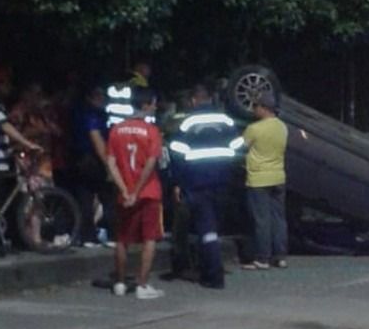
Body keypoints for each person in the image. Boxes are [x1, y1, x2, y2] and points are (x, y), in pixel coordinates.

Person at [167, 84, 243, 288]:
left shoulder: (187, 123)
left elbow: (177, 154)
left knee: (207, 229)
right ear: (211, 99)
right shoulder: (225, 121)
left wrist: (177, 183)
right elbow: (238, 148)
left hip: (197, 182)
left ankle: (213, 274)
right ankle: (209, 265)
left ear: (193, 101)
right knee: (214, 227)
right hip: (223, 181)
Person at [105, 87, 165, 299]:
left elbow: (111, 163)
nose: (155, 107)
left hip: (124, 193)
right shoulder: (151, 131)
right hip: (148, 191)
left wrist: (125, 189)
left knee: (122, 238)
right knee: (149, 238)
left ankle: (120, 282)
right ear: (146, 105)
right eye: (154, 103)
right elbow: (150, 163)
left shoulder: (116, 130)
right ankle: (142, 284)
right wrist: (138, 190)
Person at [241, 92, 289, 270]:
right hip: (278, 176)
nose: (254, 110)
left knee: (261, 220)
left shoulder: (254, 129)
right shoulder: (282, 127)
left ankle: (263, 258)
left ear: (263, 108)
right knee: (279, 218)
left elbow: (241, 146)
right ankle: (281, 256)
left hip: (258, 178)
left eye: (256, 106)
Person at [70, 85, 115, 247]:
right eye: (98, 95)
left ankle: (87, 236)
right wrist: (109, 166)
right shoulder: (92, 114)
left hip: (80, 159)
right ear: (90, 97)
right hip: (92, 160)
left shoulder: (78, 112)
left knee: (85, 198)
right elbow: (97, 140)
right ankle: (111, 235)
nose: (102, 99)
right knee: (107, 196)